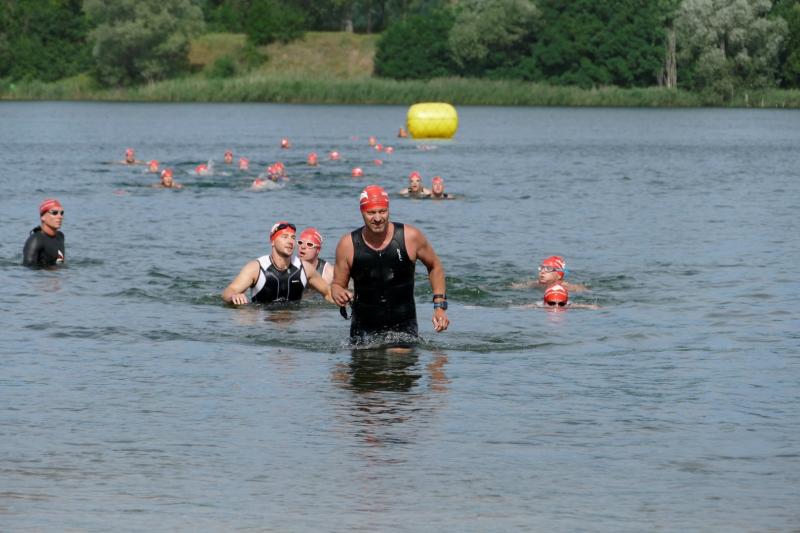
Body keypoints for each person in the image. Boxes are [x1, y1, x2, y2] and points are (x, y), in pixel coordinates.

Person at [331, 185, 449, 344]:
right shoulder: (348, 245)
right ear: (362, 212)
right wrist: (337, 292)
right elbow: (338, 284)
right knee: (366, 358)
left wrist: (439, 307)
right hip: (363, 331)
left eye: (382, 211)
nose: (377, 218)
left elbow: (435, 266)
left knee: (398, 352)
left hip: (403, 328)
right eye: (371, 213)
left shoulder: (410, 237)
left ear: (388, 210)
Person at [221, 222, 332, 305]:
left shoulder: (305, 269)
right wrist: (234, 296)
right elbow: (229, 291)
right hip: (263, 324)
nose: (290, 241)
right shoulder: (256, 268)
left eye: (293, 237)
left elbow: (329, 293)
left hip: (293, 324)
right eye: (285, 237)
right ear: (272, 242)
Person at [23, 198, 66, 267]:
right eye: (54, 213)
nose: (60, 217)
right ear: (43, 217)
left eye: (61, 213)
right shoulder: (36, 240)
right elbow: (28, 268)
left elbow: (60, 263)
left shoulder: (60, 236)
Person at [512, 255, 587, 292]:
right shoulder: (535, 284)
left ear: (559, 275)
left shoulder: (568, 287)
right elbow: (514, 287)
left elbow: (584, 291)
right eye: (542, 268)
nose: (542, 271)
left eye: (548, 269)